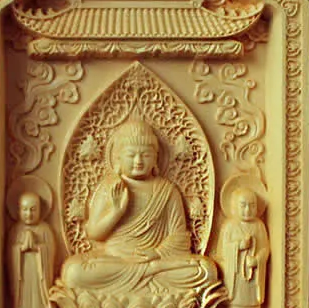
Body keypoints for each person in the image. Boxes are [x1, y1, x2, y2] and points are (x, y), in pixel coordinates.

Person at [60, 117, 217, 297]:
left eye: (146, 155)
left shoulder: (167, 191)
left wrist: (157, 253)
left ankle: (145, 276)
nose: (138, 161)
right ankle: (147, 278)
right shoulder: (110, 188)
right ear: (118, 158)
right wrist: (115, 213)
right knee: (73, 272)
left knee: (206, 270)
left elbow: (179, 238)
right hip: (115, 261)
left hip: (155, 261)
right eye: (131, 155)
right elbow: (94, 233)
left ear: (156, 158)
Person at [217, 185, 269, 308]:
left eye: (252, 205)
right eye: (243, 205)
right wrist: (238, 246)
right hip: (236, 273)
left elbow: (265, 248)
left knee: (251, 298)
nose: (248, 210)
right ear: (234, 207)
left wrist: (257, 260)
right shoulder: (229, 226)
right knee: (238, 298)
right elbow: (222, 251)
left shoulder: (259, 226)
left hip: (253, 272)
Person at [8, 191, 57, 308]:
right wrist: (20, 249)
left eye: (33, 209)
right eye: (24, 209)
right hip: (22, 274)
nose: (28, 214)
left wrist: (38, 248)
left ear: (40, 210)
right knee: (23, 301)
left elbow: (51, 251)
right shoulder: (16, 230)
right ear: (18, 210)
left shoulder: (44, 229)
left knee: (39, 301)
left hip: (40, 275)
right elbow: (9, 252)